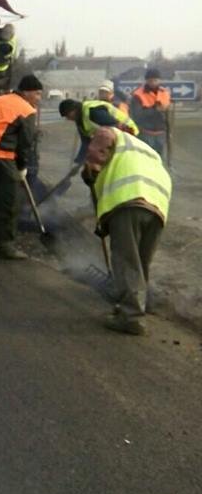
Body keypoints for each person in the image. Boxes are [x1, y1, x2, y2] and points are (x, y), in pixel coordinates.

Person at [82, 127, 171, 335]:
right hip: (158, 206)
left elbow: (102, 140)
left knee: (126, 260)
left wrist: (92, 165)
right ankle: (138, 305)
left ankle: (131, 318)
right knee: (140, 261)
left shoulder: (109, 133)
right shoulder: (146, 150)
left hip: (128, 202)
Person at [0, 75, 43, 261]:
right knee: (9, 206)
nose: (39, 98)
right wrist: (22, 166)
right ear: (27, 92)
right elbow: (26, 142)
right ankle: (6, 247)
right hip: (4, 161)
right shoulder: (27, 110)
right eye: (37, 94)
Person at [59, 97, 138, 164]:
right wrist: (79, 161)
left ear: (74, 110)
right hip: (116, 138)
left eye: (68, 115)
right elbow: (86, 142)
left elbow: (116, 128)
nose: (68, 119)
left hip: (129, 133)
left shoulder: (93, 111)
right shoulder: (80, 120)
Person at [129, 68, 172, 160]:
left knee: (159, 160)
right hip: (146, 133)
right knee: (146, 159)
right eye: (151, 80)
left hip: (161, 132)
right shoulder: (138, 95)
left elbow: (168, 113)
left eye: (155, 80)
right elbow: (137, 115)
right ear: (146, 81)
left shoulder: (165, 92)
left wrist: (168, 131)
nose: (153, 82)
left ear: (160, 80)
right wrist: (155, 109)